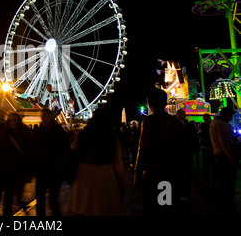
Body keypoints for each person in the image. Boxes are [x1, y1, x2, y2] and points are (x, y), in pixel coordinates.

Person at [134, 88, 188, 216]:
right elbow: (185, 148)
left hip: (154, 171)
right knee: (168, 205)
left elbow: (143, 147)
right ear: (165, 103)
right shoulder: (178, 122)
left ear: (149, 104)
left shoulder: (149, 121)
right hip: (173, 171)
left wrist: (138, 172)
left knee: (152, 207)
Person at [67, 109, 125, 216]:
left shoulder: (82, 135)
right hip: (105, 176)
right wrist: (121, 185)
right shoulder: (111, 137)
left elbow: (73, 154)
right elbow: (118, 165)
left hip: (83, 175)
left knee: (82, 209)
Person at [32, 108, 69, 216]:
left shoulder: (60, 133)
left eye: (45, 116)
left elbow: (65, 151)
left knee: (53, 199)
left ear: (51, 117)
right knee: (40, 198)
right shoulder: (39, 132)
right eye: (42, 116)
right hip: (41, 170)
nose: (43, 118)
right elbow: (33, 150)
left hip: (54, 170)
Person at [209, 107, 238, 216]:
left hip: (218, 156)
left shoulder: (214, 123)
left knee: (223, 186)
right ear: (227, 115)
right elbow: (225, 144)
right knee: (228, 185)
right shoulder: (221, 124)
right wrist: (233, 160)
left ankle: (224, 207)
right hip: (224, 158)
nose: (231, 119)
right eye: (231, 116)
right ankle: (228, 208)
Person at [2, 113, 31, 216]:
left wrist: (28, 171)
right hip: (8, 168)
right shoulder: (5, 134)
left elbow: (29, 153)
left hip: (20, 168)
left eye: (15, 120)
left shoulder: (25, 133)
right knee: (8, 196)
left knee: (17, 191)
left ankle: (18, 201)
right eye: (11, 120)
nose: (13, 122)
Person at [199, 113, 213, 186]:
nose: (205, 120)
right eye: (204, 118)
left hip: (211, 146)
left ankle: (213, 180)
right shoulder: (203, 125)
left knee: (212, 165)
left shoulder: (212, 125)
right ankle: (207, 180)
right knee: (206, 165)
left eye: (206, 118)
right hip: (205, 146)